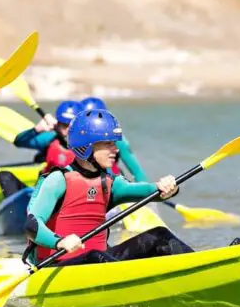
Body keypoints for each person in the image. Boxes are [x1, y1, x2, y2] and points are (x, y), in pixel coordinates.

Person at [23, 108, 196, 267]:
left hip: (100, 262)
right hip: (57, 266)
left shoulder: (109, 182)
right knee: (96, 256)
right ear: (87, 146)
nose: (116, 150)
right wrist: (59, 242)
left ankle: (199, 268)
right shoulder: (58, 179)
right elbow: (32, 224)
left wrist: (166, 189)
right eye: (108, 144)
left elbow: (150, 192)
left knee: (159, 236)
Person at [0, 100, 82, 198]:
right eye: (63, 125)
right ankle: (17, 209)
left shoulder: (87, 146)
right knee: (4, 176)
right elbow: (19, 142)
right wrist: (36, 130)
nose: (66, 130)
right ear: (58, 124)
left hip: (66, 196)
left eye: (70, 126)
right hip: (40, 195)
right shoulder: (50, 139)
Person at [79, 96, 148, 182]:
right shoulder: (73, 141)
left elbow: (137, 172)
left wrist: (147, 189)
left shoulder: (119, 140)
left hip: (114, 182)